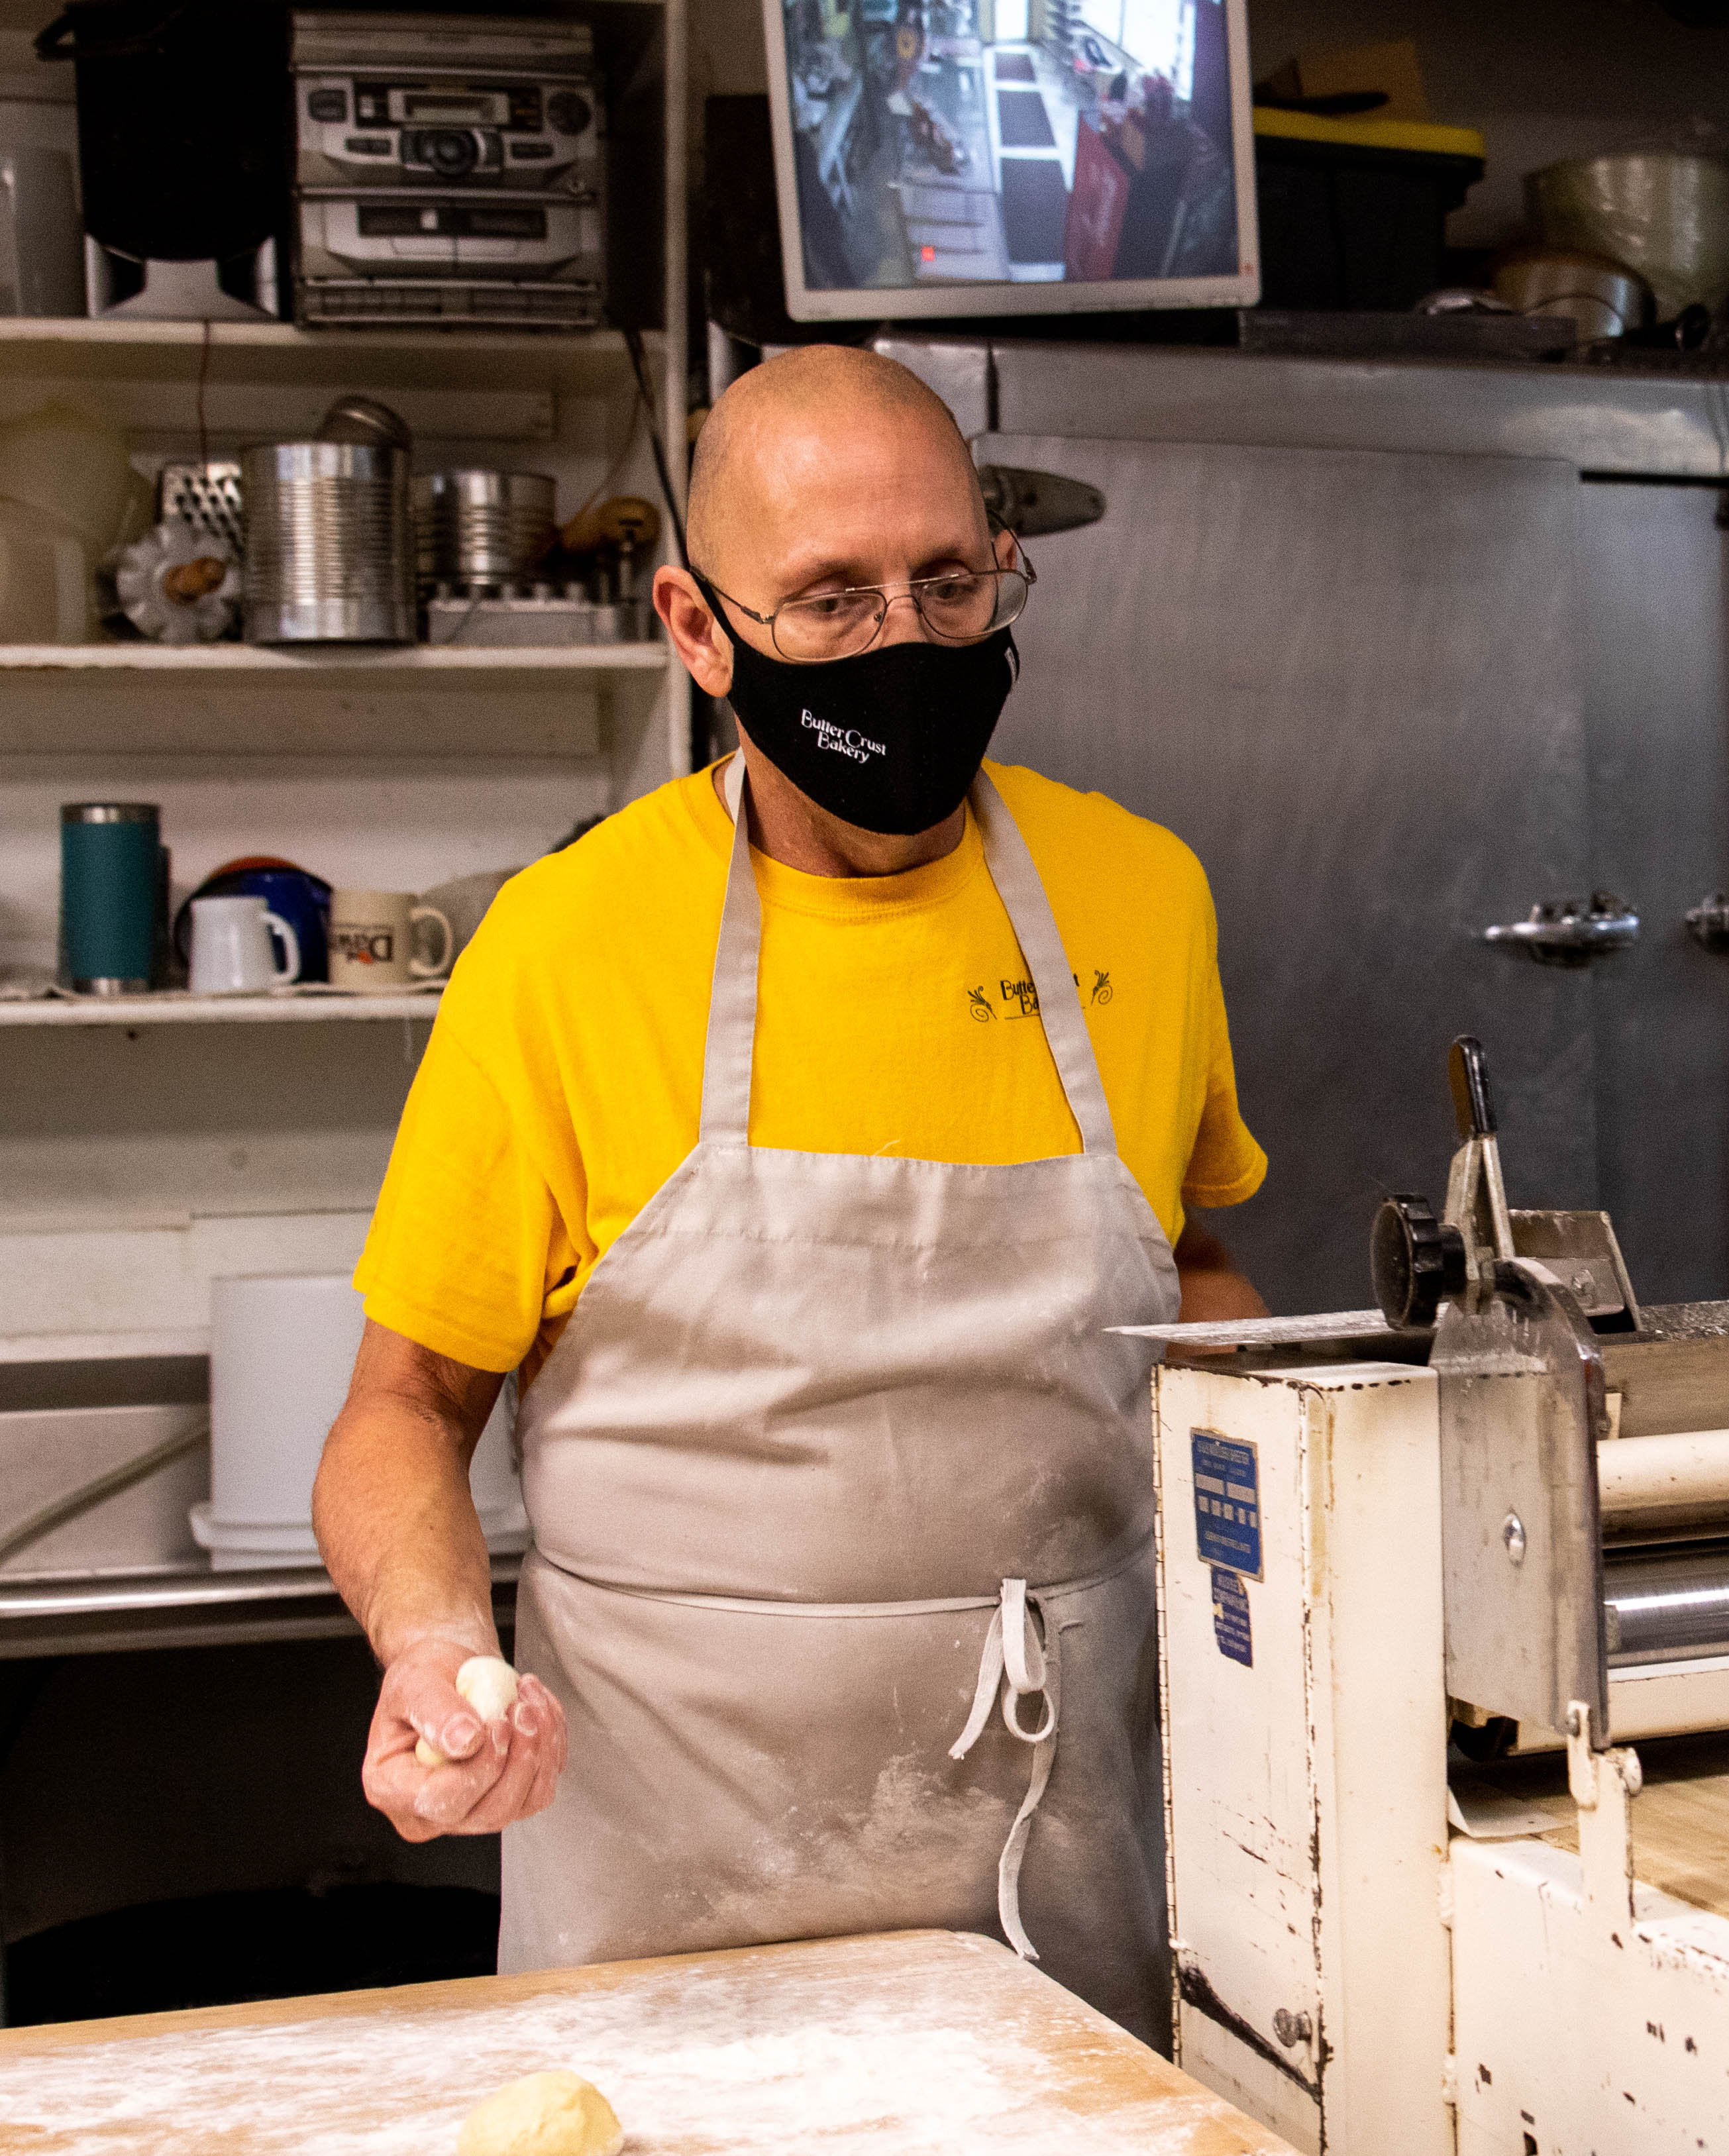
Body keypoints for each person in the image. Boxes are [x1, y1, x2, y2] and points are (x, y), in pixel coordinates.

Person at [311, 345, 1269, 2047]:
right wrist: (436, 1653)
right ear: (698, 629)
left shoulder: (1146, 896)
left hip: (1066, 1894)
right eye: (830, 602)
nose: (907, 641)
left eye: (950, 581)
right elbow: (406, 1400)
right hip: (673, 1901)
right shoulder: (567, 949)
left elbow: (1186, 1275)